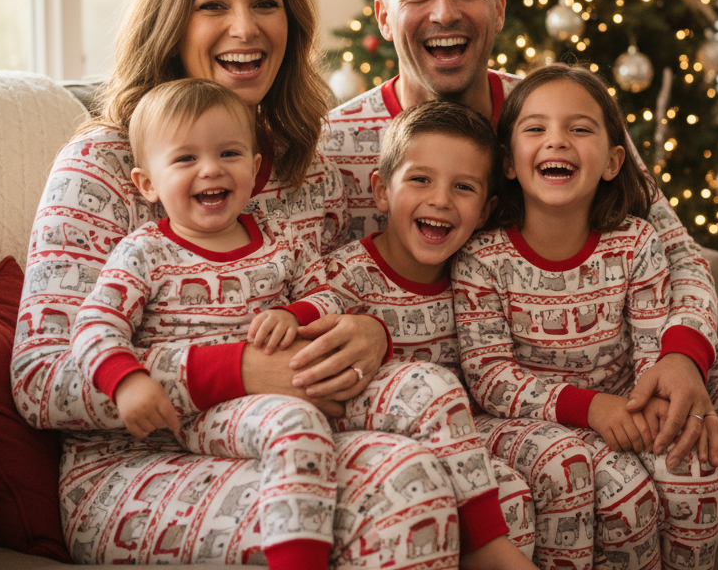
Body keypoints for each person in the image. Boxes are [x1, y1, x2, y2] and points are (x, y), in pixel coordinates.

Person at [325, 0, 718, 569]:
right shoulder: (337, 148)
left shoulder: (560, 111)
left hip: (623, 368)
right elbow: (299, 292)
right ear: (383, 16)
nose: (444, 13)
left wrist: (683, 355)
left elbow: (677, 252)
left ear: (499, 5)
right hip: (468, 406)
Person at [13, 0, 464, 567]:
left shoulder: (310, 166)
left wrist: (371, 333)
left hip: (293, 435)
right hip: (137, 464)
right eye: (213, 6)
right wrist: (239, 369)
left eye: (265, 4)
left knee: (417, 475)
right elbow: (39, 378)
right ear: (171, 23)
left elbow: (352, 287)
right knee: (393, 491)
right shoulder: (102, 168)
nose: (246, 28)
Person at [70, 77, 530, 569]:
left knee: (433, 386)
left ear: (254, 168)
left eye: (228, 154)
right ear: (147, 184)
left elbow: (326, 292)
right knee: (298, 424)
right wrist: (125, 379)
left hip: (298, 379)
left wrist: (301, 315)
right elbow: (95, 325)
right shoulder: (145, 251)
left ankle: (486, 546)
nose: (210, 169)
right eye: (185, 160)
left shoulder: (278, 245)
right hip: (203, 412)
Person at [452, 64, 718, 570]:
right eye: (536, 129)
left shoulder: (636, 244)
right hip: (519, 421)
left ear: (614, 160)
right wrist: (591, 408)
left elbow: (651, 354)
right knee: (624, 493)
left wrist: (652, 404)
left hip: (624, 407)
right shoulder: (482, 260)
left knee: (693, 468)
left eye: (579, 128)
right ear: (508, 163)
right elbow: (490, 380)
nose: (557, 142)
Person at [305, 100, 597, 570]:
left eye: (463, 188)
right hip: (380, 438)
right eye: (420, 179)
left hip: (466, 436)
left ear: (484, 211)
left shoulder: (476, 275)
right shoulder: (342, 279)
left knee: (549, 473)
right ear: (381, 191)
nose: (440, 200)